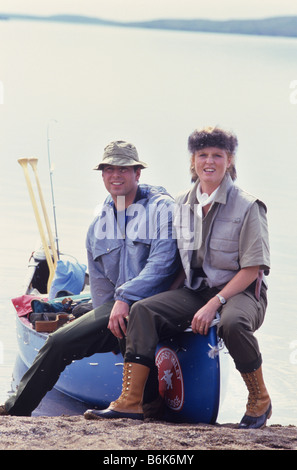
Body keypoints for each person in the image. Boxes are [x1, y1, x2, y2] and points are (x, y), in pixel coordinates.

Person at [85, 127, 272, 430]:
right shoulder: (182, 204)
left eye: (217, 156)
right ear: (193, 161)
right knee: (143, 309)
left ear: (229, 161)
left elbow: (253, 270)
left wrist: (215, 303)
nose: (208, 162)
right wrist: (156, 301)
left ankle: (259, 398)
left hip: (242, 292)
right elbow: (184, 266)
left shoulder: (248, 206)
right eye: (202, 155)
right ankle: (132, 403)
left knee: (232, 323)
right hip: (197, 289)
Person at [0, 140, 180, 417]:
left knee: (130, 315)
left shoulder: (161, 210)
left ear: (138, 173)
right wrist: (107, 320)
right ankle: (15, 411)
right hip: (118, 311)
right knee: (58, 342)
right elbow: (100, 288)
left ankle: (147, 399)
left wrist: (124, 298)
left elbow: (163, 265)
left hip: (157, 306)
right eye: (108, 169)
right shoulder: (99, 225)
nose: (115, 175)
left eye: (123, 169)